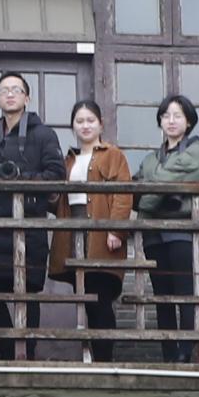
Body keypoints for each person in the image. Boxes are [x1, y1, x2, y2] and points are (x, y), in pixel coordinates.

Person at [0, 71, 64, 360]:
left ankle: (26, 354)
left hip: (27, 226)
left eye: (16, 90)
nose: (10, 95)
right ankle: (8, 350)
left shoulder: (43, 135)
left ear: (27, 97)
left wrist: (22, 177)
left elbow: (56, 175)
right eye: (4, 91)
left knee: (26, 293)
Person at [131, 94, 199, 362]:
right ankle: (169, 353)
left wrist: (150, 194)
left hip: (182, 229)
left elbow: (165, 182)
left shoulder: (198, 150)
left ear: (188, 121)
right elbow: (136, 187)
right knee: (162, 294)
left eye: (178, 115)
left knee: (185, 291)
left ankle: (185, 352)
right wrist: (157, 191)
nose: (171, 121)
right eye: (166, 115)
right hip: (153, 232)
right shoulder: (150, 158)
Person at [58, 98, 137, 359]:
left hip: (102, 234)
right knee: (85, 297)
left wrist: (115, 230)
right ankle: (90, 355)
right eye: (79, 121)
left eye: (90, 120)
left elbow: (123, 195)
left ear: (101, 124)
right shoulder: (69, 160)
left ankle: (104, 358)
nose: (85, 125)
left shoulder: (113, 155)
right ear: (72, 126)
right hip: (75, 234)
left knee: (100, 297)